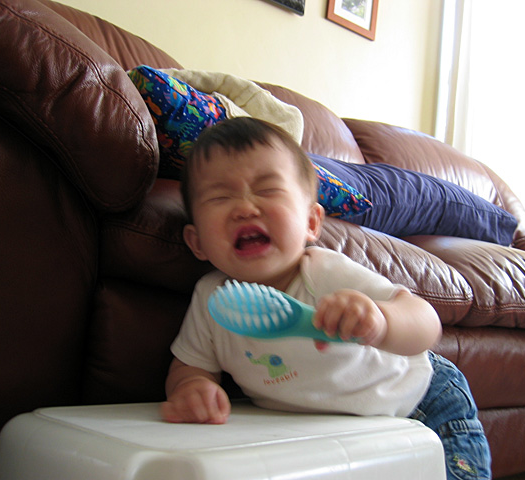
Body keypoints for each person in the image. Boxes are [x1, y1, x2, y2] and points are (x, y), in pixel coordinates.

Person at [162, 117, 492, 479]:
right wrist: (193, 388)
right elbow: (191, 364)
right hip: (333, 435)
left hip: (418, 402)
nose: (245, 207)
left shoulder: (324, 273)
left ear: (311, 223)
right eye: (221, 196)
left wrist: (380, 321)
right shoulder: (213, 299)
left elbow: (426, 324)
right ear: (196, 242)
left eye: (268, 190)